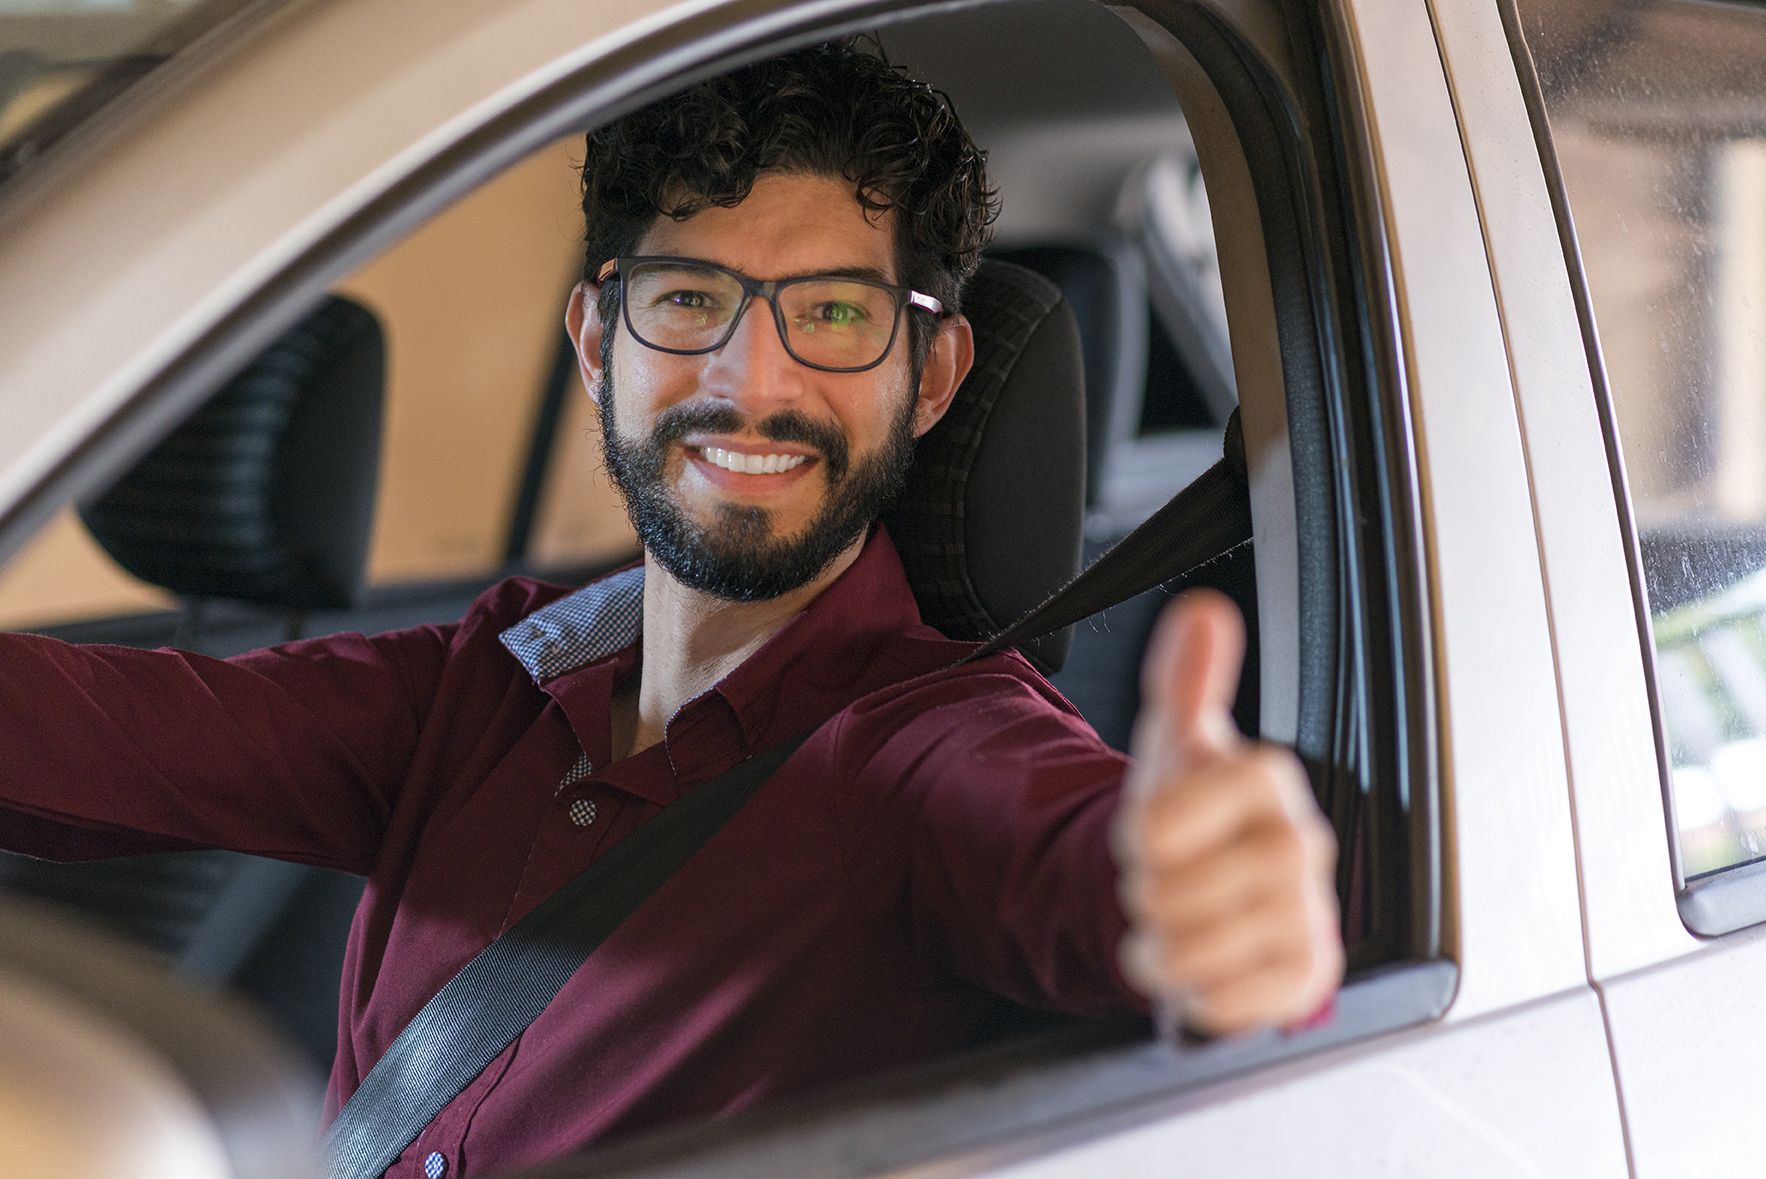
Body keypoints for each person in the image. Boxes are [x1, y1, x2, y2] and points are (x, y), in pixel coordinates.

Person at [0, 40, 1340, 1178]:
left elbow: (1076, 860)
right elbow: (93, 731)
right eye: (689, 299)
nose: (747, 382)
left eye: (831, 313)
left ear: (929, 376)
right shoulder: (487, 677)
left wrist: (1197, 904)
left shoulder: (930, 753)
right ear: (598, 342)